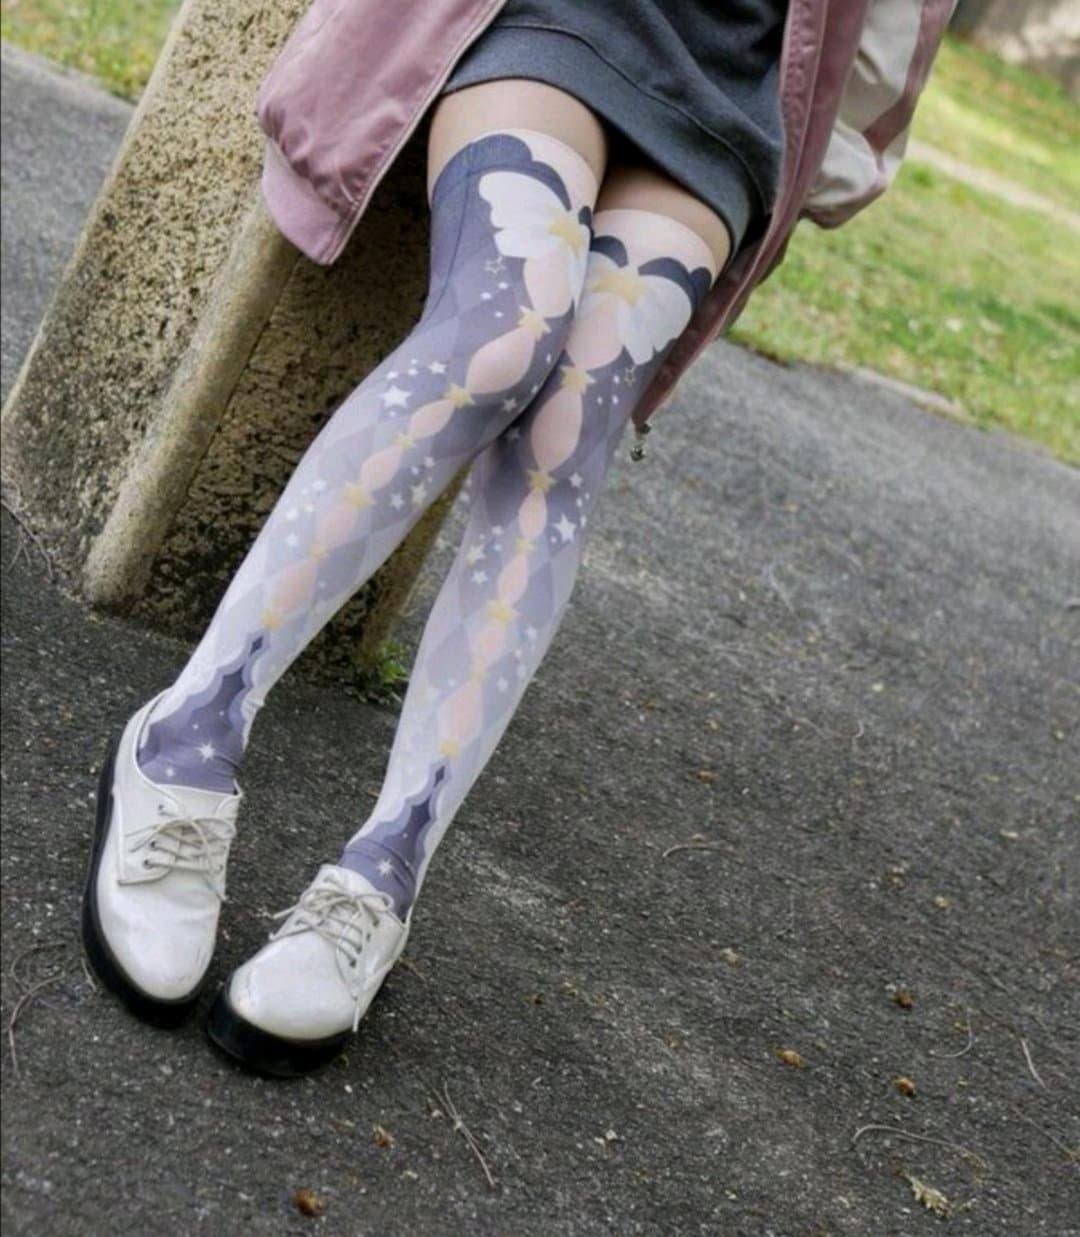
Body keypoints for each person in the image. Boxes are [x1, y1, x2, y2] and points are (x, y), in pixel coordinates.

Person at [81, 0, 956, 1075]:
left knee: (568, 421)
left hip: (727, 87)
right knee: (503, 330)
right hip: (550, 16)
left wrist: (837, 138)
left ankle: (386, 867)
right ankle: (186, 734)